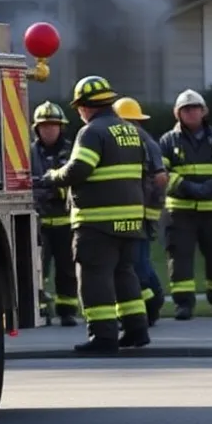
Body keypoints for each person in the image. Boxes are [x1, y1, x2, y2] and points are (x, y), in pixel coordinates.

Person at [43, 76, 150, 354]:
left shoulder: (91, 132)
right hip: (128, 220)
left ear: (85, 107)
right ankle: (136, 330)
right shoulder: (130, 130)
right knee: (124, 273)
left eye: (79, 108)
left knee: (94, 278)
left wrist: (52, 176)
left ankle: (103, 337)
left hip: (97, 222)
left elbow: (79, 169)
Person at [158, 89, 212, 320]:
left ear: (204, 111)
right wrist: (185, 187)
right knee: (180, 258)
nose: (191, 112)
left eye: (195, 108)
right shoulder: (168, 140)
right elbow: (160, 171)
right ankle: (183, 305)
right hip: (180, 211)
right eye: (185, 109)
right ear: (177, 113)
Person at [112, 97, 168, 326]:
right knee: (135, 261)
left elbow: (160, 179)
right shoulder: (138, 142)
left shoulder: (144, 144)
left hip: (140, 213)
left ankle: (153, 302)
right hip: (136, 212)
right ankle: (149, 304)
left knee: (138, 263)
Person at [30, 101, 79, 327]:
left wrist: (46, 186)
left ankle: (67, 311)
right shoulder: (28, 152)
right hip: (38, 221)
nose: (49, 129)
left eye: (53, 125)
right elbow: (27, 185)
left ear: (61, 127)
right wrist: (48, 186)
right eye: (44, 126)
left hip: (65, 222)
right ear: (37, 129)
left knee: (67, 269)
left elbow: (70, 184)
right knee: (38, 268)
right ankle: (40, 309)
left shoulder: (71, 151)